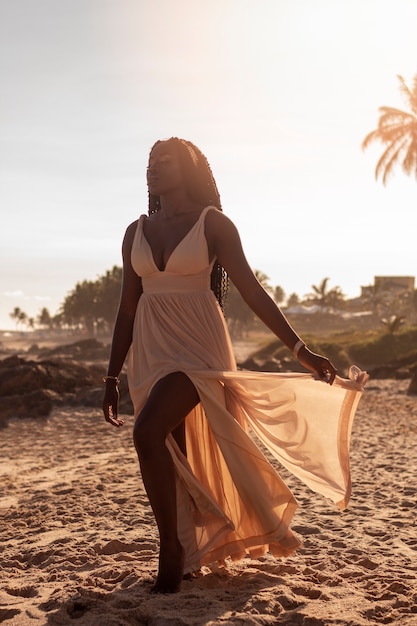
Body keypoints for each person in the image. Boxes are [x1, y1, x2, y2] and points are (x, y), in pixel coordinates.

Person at [102, 137, 367, 594]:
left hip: (198, 350)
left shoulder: (213, 224)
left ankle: (169, 551)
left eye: (165, 160)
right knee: (174, 453)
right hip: (151, 351)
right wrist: (110, 376)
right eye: (149, 161)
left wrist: (299, 350)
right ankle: (189, 547)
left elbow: (252, 290)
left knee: (145, 433)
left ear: (190, 169)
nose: (154, 167)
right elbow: (128, 308)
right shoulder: (135, 231)